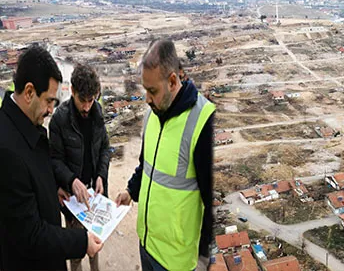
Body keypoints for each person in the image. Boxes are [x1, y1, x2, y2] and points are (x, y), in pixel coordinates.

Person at [0, 45, 103, 270]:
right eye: (48, 101)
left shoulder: (27, 126)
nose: (50, 110)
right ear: (29, 92)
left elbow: (35, 175)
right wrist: (81, 242)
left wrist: (52, 187)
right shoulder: (7, 150)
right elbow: (31, 235)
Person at [116, 39, 215, 270]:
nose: (147, 99)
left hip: (176, 262)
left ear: (172, 81)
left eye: (152, 91)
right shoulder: (152, 114)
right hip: (147, 245)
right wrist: (131, 190)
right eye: (145, 90)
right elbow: (147, 166)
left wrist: (203, 259)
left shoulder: (202, 121)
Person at [49, 63, 110, 271]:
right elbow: (54, 160)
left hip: (95, 196)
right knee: (76, 250)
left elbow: (104, 148)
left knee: (96, 246)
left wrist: (101, 175)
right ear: (72, 91)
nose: (86, 107)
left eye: (91, 100)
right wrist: (71, 181)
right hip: (73, 200)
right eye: (82, 100)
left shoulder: (97, 112)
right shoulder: (59, 120)